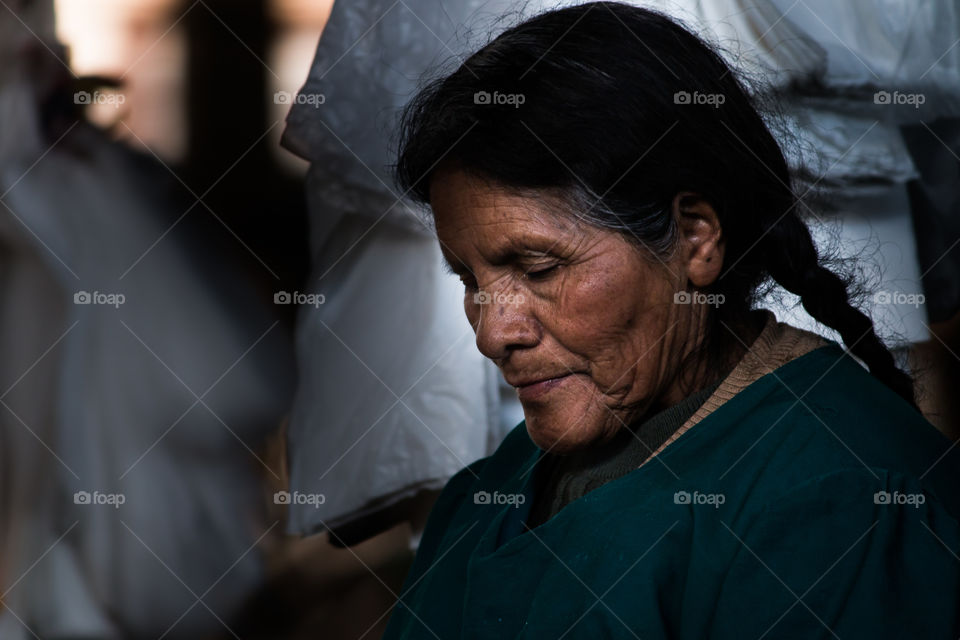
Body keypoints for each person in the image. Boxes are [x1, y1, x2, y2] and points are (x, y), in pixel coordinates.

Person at [381, 3, 960, 638]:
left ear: (695, 239)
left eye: (540, 269)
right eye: (469, 279)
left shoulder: (841, 507)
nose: (492, 335)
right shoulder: (502, 484)